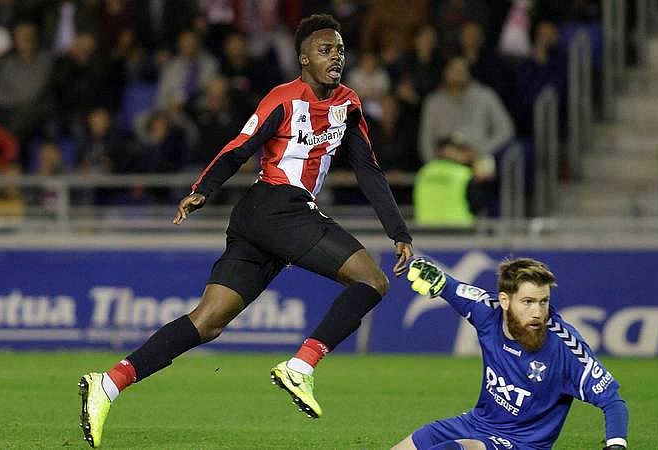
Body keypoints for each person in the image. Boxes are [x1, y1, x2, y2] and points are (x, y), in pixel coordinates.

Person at [78, 14, 413, 448]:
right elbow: (241, 146)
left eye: (340, 50)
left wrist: (397, 230)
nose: (336, 58)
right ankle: (302, 366)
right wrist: (203, 189)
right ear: (304, 59)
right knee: (372, 279)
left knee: (208, 321)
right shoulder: (283, 99)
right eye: (326, 50)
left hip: (268, 218)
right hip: (276, 206)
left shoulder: (348, 105)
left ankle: (108, 383)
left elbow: (368, 169)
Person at [392, 257, 628, 450]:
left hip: (521, 444)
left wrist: (616, 445)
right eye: (528, 301)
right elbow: (449, 287)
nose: (537, 312)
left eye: (543, 301)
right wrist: (418, 265)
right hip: (475, 423)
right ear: (504, 300)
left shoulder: (565, 346)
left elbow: (612, 400)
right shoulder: (487, 312)